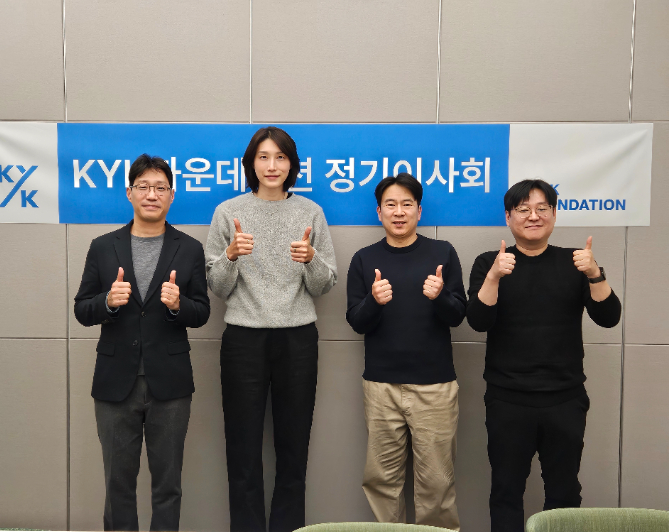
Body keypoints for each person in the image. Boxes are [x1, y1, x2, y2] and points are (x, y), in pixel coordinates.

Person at [466, 179, 622, 532]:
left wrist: (595, 273)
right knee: (506, 492)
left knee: (564, 493)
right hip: (508, 400)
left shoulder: (576, 262)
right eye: (523, 209)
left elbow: (609, 317)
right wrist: (494, 277)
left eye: (541, 209)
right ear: (508, 217)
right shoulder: (490, 262)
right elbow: (477, 321)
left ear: (554, 214)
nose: (533, 216)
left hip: (564, 399)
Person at [205, 126, 337, 532]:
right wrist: (230, 256)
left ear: (292, 164)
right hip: (243, 338)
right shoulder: (228, 212)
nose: (272, 165)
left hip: (298, 339)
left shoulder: (311, 212)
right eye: (263, 157)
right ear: (251, 164)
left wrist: (311, 259)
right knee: (242, 448)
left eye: (280, 157)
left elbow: (324, 285)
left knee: (293, 449)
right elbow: (217, 287)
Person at [74, 154, 210, 531]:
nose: (152, 194)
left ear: (172, 195)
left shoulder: (190, 248)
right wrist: (107, 302)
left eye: (160, 187)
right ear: (129, 193)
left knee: (168, 486)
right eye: (144, 187)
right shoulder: (103, 247)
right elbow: (82, 309)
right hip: (115, 382)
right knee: (118, 485)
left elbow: (202, 311)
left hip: (171, 383)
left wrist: (179, 305)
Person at [345, 173, 466, 530]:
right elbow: (356, 321)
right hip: (381, 387)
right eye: (391, 205)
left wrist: (439, 296)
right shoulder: (364, 259)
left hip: (435, 387)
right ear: (379, 212)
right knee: (382, 483)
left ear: (419, 210)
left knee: (437, 485)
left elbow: (458, 315)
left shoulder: (442, 253)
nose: (399, 212)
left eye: (407, 204)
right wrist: (374, 301)